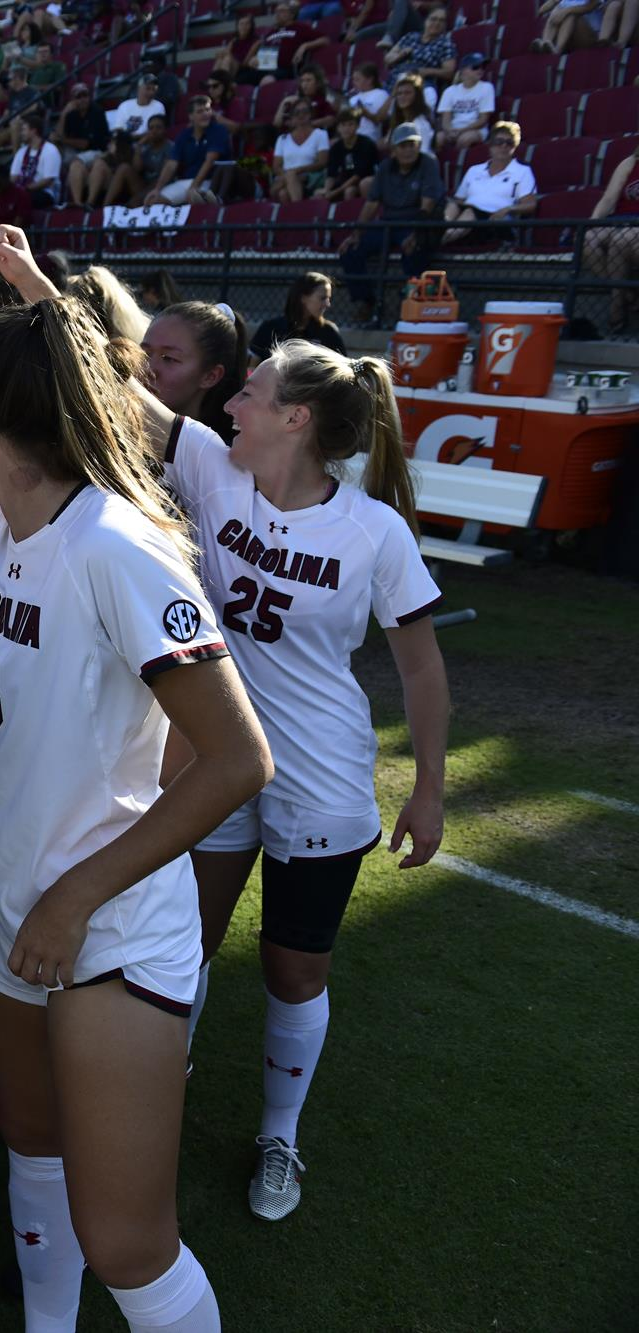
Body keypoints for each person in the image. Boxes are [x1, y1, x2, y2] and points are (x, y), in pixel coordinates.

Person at [0, 232, 272, 1333]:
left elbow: (237, 759)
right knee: (33, 1162)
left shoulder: (118, 547)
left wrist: (75, 893)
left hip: (100, 930)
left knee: (126, 1241)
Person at [169, 341, 448, 1223]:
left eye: (248, 393)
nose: (229, 407)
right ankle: (151, 1087)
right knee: (183, 944)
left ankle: (280, 1134)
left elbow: (422, 671)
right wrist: (16, 274)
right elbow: (97, 383)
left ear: (296, 418)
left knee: (294, 969)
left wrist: (430, 787)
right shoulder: (214, 470)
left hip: (319, 780)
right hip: (216, 760)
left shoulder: (375, 531)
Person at [337, 122, 444, 324]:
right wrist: (356, 234)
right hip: (387, 223)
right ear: (393, 150)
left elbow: (428, 205)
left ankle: (411, 303)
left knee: (415, 250)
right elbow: (371, 204)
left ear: (419, 146)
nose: (409, 150)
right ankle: (366, 302)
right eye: (403, 146)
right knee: (350, 251)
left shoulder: (428, 163)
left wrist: (416, 233)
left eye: (412, 144)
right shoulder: (386, 167)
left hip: (416, 222)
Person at [143, 300, 249, 441]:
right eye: (145, 353)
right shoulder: (116, 432)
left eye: (168, 358)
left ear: (210, 376)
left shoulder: (217, 455)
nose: (148, 368)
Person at [441, 121, 537, 246]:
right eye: (499, 142)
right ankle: (442, 234)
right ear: (490, 145)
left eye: (509, 143)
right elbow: (459, 200)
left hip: (495, 222)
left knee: (470, 212)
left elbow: (530, 204)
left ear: (515, 147)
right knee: (453, 206)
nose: (504, 146)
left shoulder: (522, 171)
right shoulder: (474, 170)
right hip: (469, 218)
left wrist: (509, 209)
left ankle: (439, 241)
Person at [585, 141, 639, 332]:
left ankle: (616, 309)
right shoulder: (630, 163)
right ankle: (630, 297)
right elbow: (609, 199)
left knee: (620, 240)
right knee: (589, 240)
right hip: (621, 220)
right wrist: (593, 221)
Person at [147, 94, 232, 205]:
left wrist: (194, 187)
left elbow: (209, 161)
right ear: (191, 116)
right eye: (200, 111)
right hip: (185, 181)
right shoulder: (184, 135)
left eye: (207, 110)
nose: (205, 114)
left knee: (195, 198)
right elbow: (171, 164)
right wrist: (157, 189)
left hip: (210, 181)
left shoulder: (219, 131)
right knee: (153, 201)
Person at [250, 273, 348, 361]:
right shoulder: (271, 328)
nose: (327, 304)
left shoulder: (328, 331)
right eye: (322, 298)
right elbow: (252, 363)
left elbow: (344, 367)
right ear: (303, 298)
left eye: (329, 298)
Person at [253, 3, 332, 85]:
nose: (277, 14)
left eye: (282, 11)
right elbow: (264, 55)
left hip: (287, 69)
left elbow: (325, 40)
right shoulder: (272, 32)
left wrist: (305, 46)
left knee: (267, 81)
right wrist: (256, 58)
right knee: (242, 80)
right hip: (266, 67)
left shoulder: (299, 28)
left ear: (291, 15)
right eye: (276, 11)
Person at [58, 83, 111, 204]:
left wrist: (63, 140)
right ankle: (78, 204)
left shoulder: (97, 112)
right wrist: (64, 113)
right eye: (78, 97)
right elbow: (59, 135)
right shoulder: (71, 114)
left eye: (85, 95)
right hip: (78, 153)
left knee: (76, 162)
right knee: (75, 164)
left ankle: (89, 202)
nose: (83, 99)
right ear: (73, 100)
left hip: (97, 151)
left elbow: (85, 144)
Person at [272, 102, 332, 203]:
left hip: (310, 176)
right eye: (297, 112)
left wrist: (298, 170)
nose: (301, 115)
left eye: (305, 111)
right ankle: (297, 214)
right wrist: (288, 175)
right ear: (292, 116)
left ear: (311, 114)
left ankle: (297, 209)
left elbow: (322, 162)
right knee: (283, 193)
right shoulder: (282, 139)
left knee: (289, 179)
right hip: (287, 178)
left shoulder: (320, 134)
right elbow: (276, 166)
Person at [434, 55, 496, 150]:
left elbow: (483, 120)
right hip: (453, 130)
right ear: (463, 70)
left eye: (482, 67)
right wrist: (450, 131)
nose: (480, 70)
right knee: (438, 138)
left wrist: (461, 131)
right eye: (475, 67)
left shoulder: (487, 88)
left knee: (464, 139)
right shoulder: (450, 91)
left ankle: (459, 163)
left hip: (476, 130)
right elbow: (445, 119)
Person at [320, 108, 380, 202]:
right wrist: (327, 191)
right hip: (345, 180)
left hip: (367, 178)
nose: (346, 129)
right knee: (318, 194)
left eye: (350, 124)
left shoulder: (366, 144)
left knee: (350, 191)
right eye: (343, 125)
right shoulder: (336, 147)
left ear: (357, 126)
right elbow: (331, 173)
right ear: (338, 127)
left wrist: (336, 192)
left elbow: (359, 174)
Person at [387, 6, 456, 82]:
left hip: (422, 81)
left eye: (441, 21)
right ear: (425, 21)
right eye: (433, 19)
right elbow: (388, 58)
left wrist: (427, 71)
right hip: (397, 77)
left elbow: (449, 72)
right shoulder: (410, 36)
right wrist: (402, 54)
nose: (437, 23)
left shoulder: (446, 44)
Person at [11, 113, 64, 208]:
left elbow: (48, 180)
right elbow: (13, 177)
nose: (21, 133)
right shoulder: (21, 152)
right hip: (23, 191)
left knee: (21, 199)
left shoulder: (50, 150)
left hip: (46, 193)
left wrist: (26, 188)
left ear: (33, 131)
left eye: (24, 130)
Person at [383, 73, 436, 154]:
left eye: (407, 93)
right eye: (399, 93)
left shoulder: (421, 124)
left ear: (417, 96)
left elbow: (422, 155)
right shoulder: (398, 120)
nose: (402, 96)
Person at [109, 73, 166, 137]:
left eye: (154, 89)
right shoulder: (125, 105)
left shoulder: (158, 106)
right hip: (124, 142)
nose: (151, 92)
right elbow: (118, 129)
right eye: (148, 88)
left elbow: (155, 133)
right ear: (139, 88)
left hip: (146, 143)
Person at [212, 13, 261, 87]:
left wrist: (230, 57)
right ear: (237, 26)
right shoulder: (234, 40)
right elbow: (226, 53)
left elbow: (245, 62)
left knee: (227, 59)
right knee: (220, 58)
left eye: (247, 24)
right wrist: (221, 54)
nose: (243, 27)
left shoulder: (256, 41)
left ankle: (222, 84)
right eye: (241, 24)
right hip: (230, 66)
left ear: (251, 26)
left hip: (242, 68)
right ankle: (213, 81)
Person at [346, 62, 391, 142]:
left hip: (369, 138)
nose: (354, 83)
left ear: (369, 80)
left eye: (357, 79)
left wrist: (364, 112)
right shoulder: (352, 98)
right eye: (353, 79)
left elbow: (380, 119)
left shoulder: (381, 94)